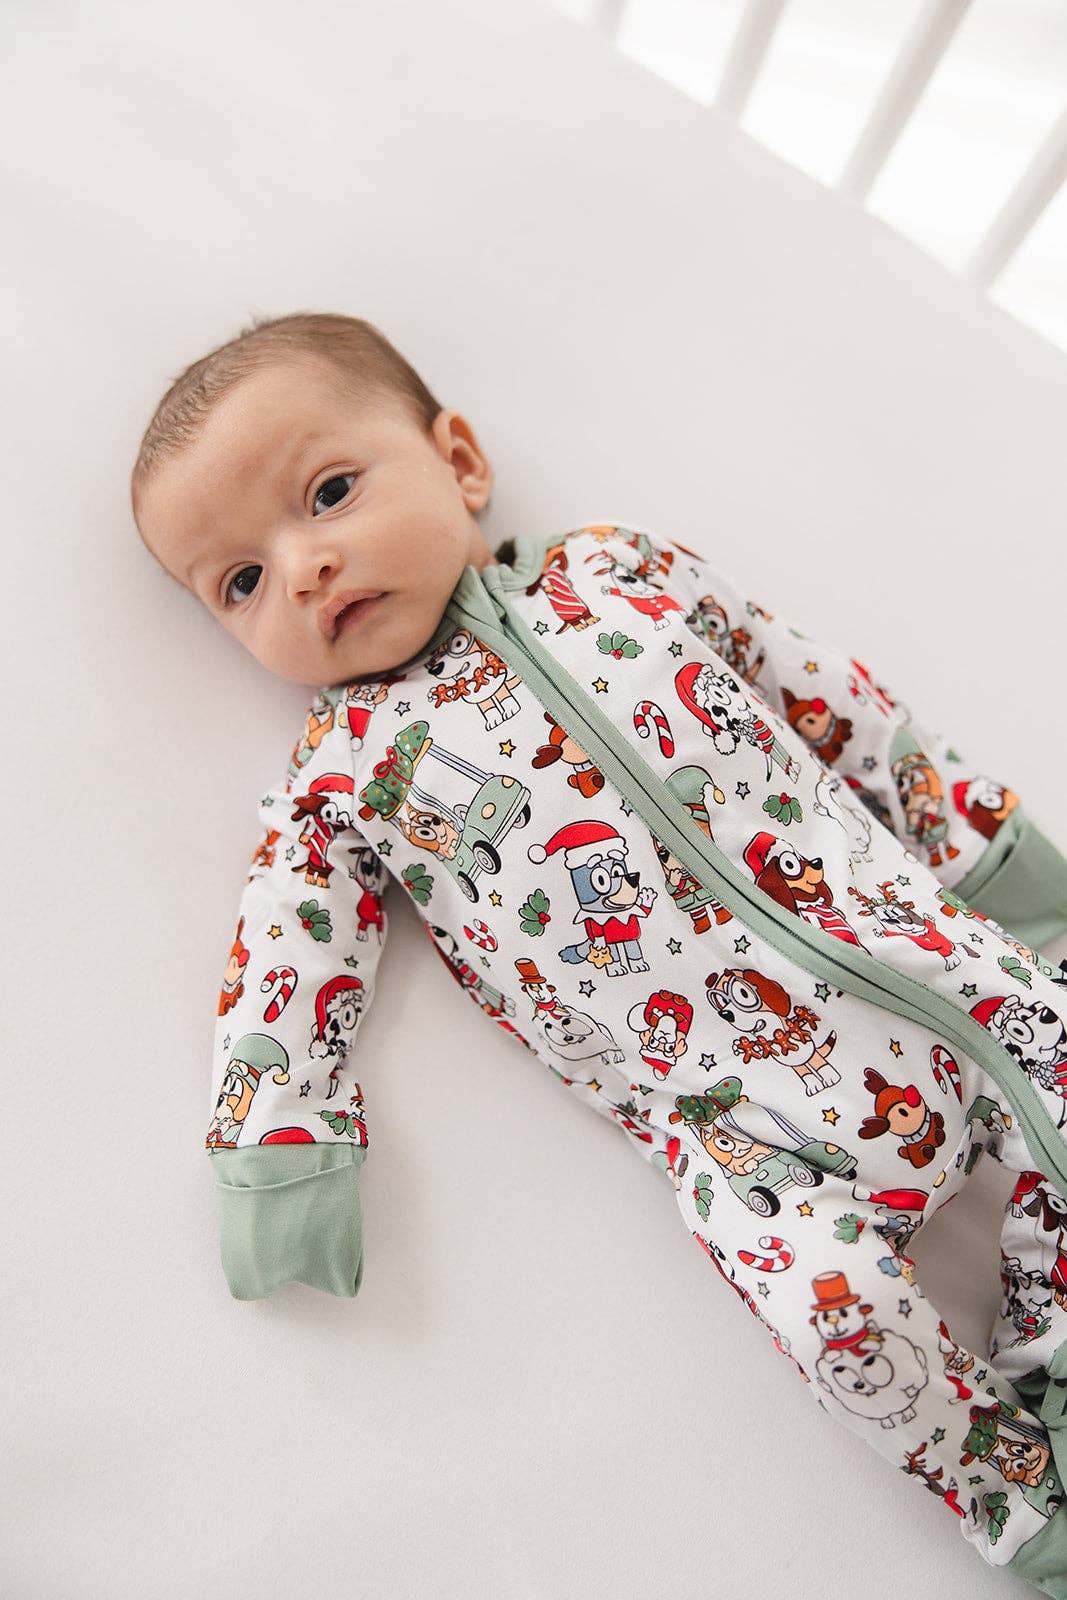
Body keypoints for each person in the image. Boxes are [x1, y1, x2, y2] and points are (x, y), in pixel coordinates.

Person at [132, 311, 1067, 1594]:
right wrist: (275, 1148)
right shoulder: (339, 779)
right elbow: (287, 955)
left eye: (329, 492)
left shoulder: (618, 571)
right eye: (239, 581)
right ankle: (1022, 1501)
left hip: (920, 958)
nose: (300, 568)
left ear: (460, 461)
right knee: (834, 1321)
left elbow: (823, 694)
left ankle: (1047, 1341)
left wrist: (986, 857)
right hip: (740, 1130)